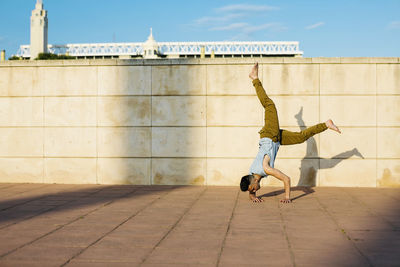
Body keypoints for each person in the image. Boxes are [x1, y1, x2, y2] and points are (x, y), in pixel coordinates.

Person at [240, 63, 341, 203]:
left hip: (270, 134)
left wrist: (287, 197)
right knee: (300, 138)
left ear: (252, 185)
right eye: (254, 191)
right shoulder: (253, 173)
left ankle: (254, 79)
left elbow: (286, 179)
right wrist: (252, 196)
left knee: (269, 105)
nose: (256, 190)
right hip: (275, 139)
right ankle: (326, 124)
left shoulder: (265, 169)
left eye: (254, 189)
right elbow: (251, 185)